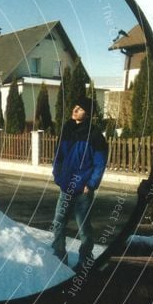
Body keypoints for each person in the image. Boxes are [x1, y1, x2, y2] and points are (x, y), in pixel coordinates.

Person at [51, 96, 108, 272]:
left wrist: (90, 184)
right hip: (65, 186)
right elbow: (58, 156)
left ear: (88, 113)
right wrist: (57, 175)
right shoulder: (67, 129)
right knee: (58, 222)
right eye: (74, 107)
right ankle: (59, 256)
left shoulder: (95, 135)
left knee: (83, 227)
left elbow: (100, 163)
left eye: (80, 108)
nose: (75, 110)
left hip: (83, 189)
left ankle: (85, 260)